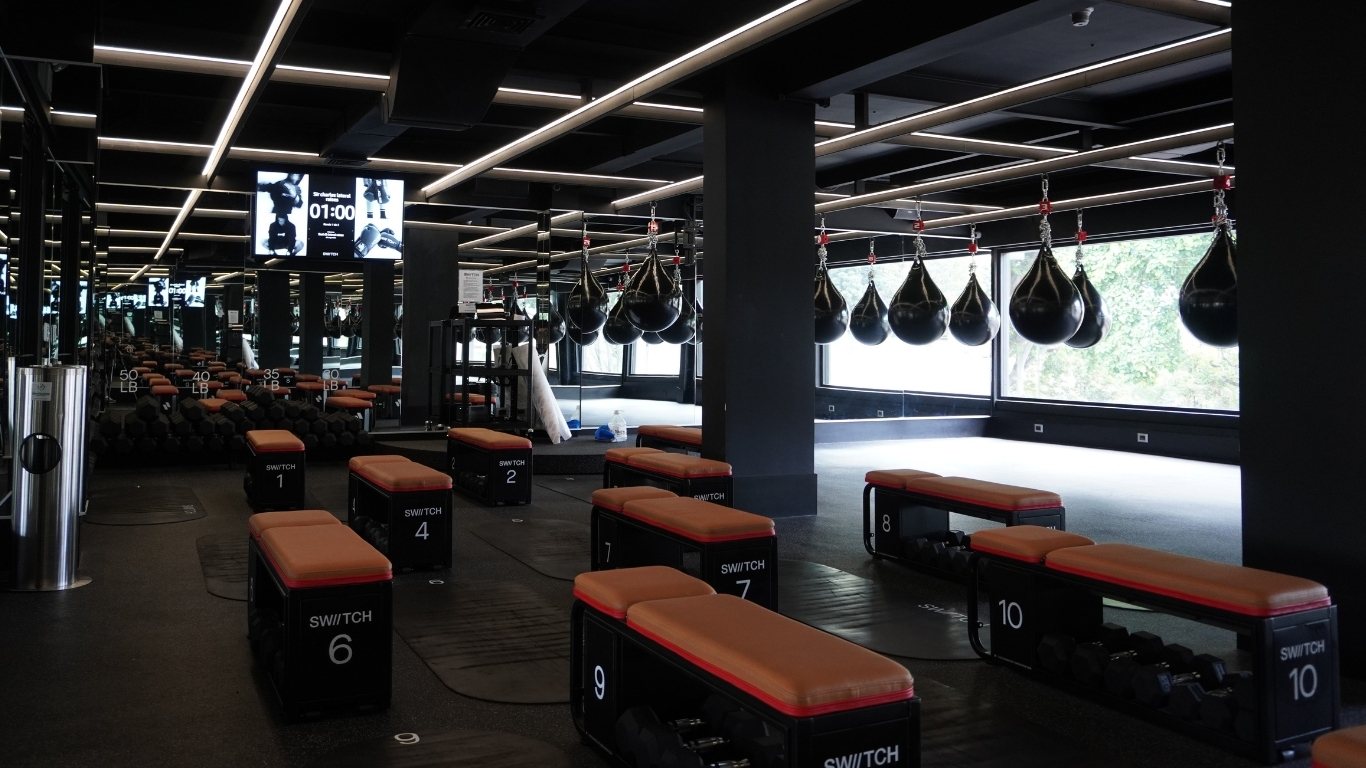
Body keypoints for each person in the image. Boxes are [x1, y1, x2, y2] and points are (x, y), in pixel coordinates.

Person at [257, 172, 305, 255]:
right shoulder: (280, 185)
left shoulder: (296, 189)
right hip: (276, 243)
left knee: (300, 244)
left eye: (298, 176)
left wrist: (290, 251)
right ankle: (273, 253)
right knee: (263, 242)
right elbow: (269, 187)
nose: (296, 177)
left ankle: (291, 254)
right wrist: (271, 249)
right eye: (294, 175)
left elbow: (299, 204)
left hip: (287, 244)